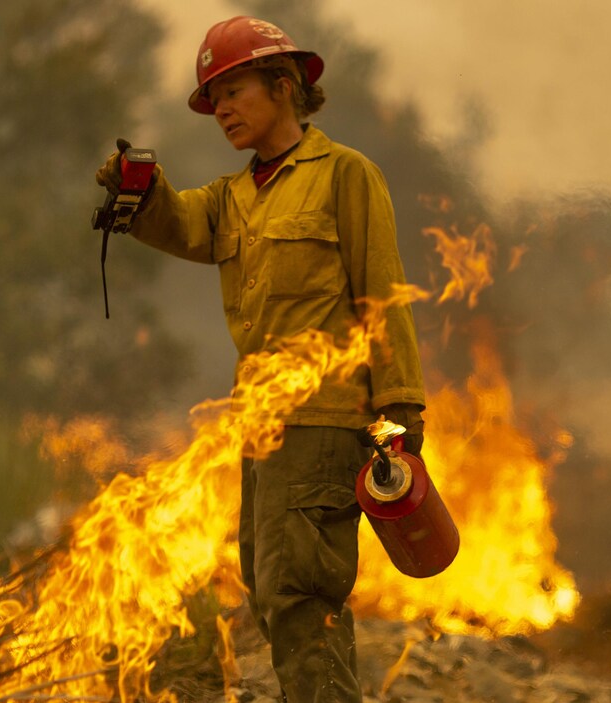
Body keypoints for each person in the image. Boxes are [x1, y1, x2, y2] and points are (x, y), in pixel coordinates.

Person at [96, 16, 426, 702]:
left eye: (233, 90)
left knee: (301, 591)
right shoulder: (233, 197)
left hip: (324, 420)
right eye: (212, 98)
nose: (220, 109)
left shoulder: (344, 176)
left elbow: (383, 292)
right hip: (262, 427)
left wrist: (401, 404)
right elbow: (183, 224)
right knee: (273, 588)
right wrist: (141, 194)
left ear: (284, 86)